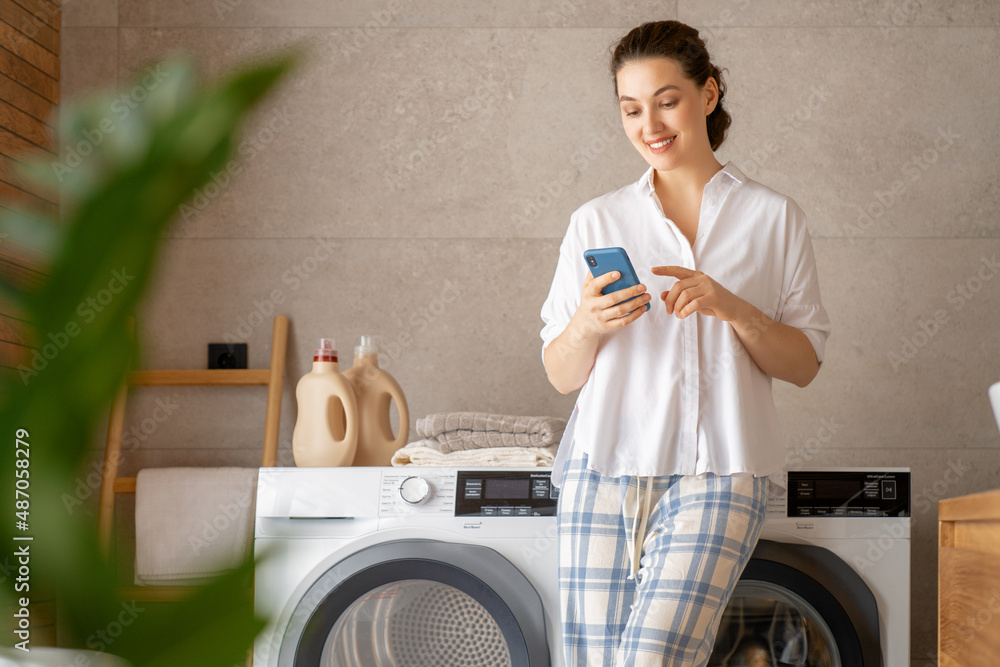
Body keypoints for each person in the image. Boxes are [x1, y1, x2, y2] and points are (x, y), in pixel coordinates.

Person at [539, 20, 832, 667]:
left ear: (708, 93)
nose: (651, 123)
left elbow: (804, 363)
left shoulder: (774, 217)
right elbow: (561, 374)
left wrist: (730, 306)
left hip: (722, 468)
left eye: (666, 100)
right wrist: (588, 322)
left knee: (651, 658)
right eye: (632, 108)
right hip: (602, 468)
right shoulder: (596, 219)